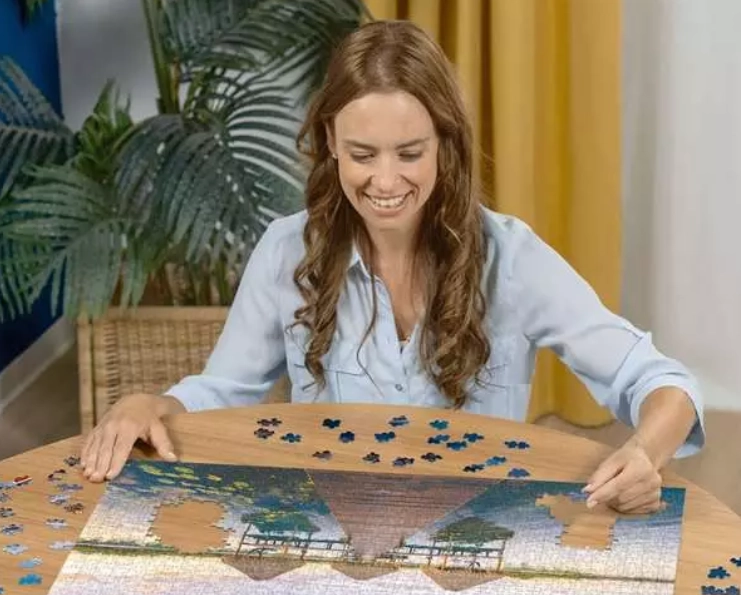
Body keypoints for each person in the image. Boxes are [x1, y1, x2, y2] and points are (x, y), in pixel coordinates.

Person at [81, 20, 704, 514]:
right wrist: (150, 403)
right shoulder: (284, 251)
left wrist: (644, 453)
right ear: (330, 141)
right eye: (362, 154)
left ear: (444, 143)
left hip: (477, 525)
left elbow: (661, 382)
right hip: (332, 528)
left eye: (410, 153)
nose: (385, 181)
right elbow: (222, 393)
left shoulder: (512, 258)